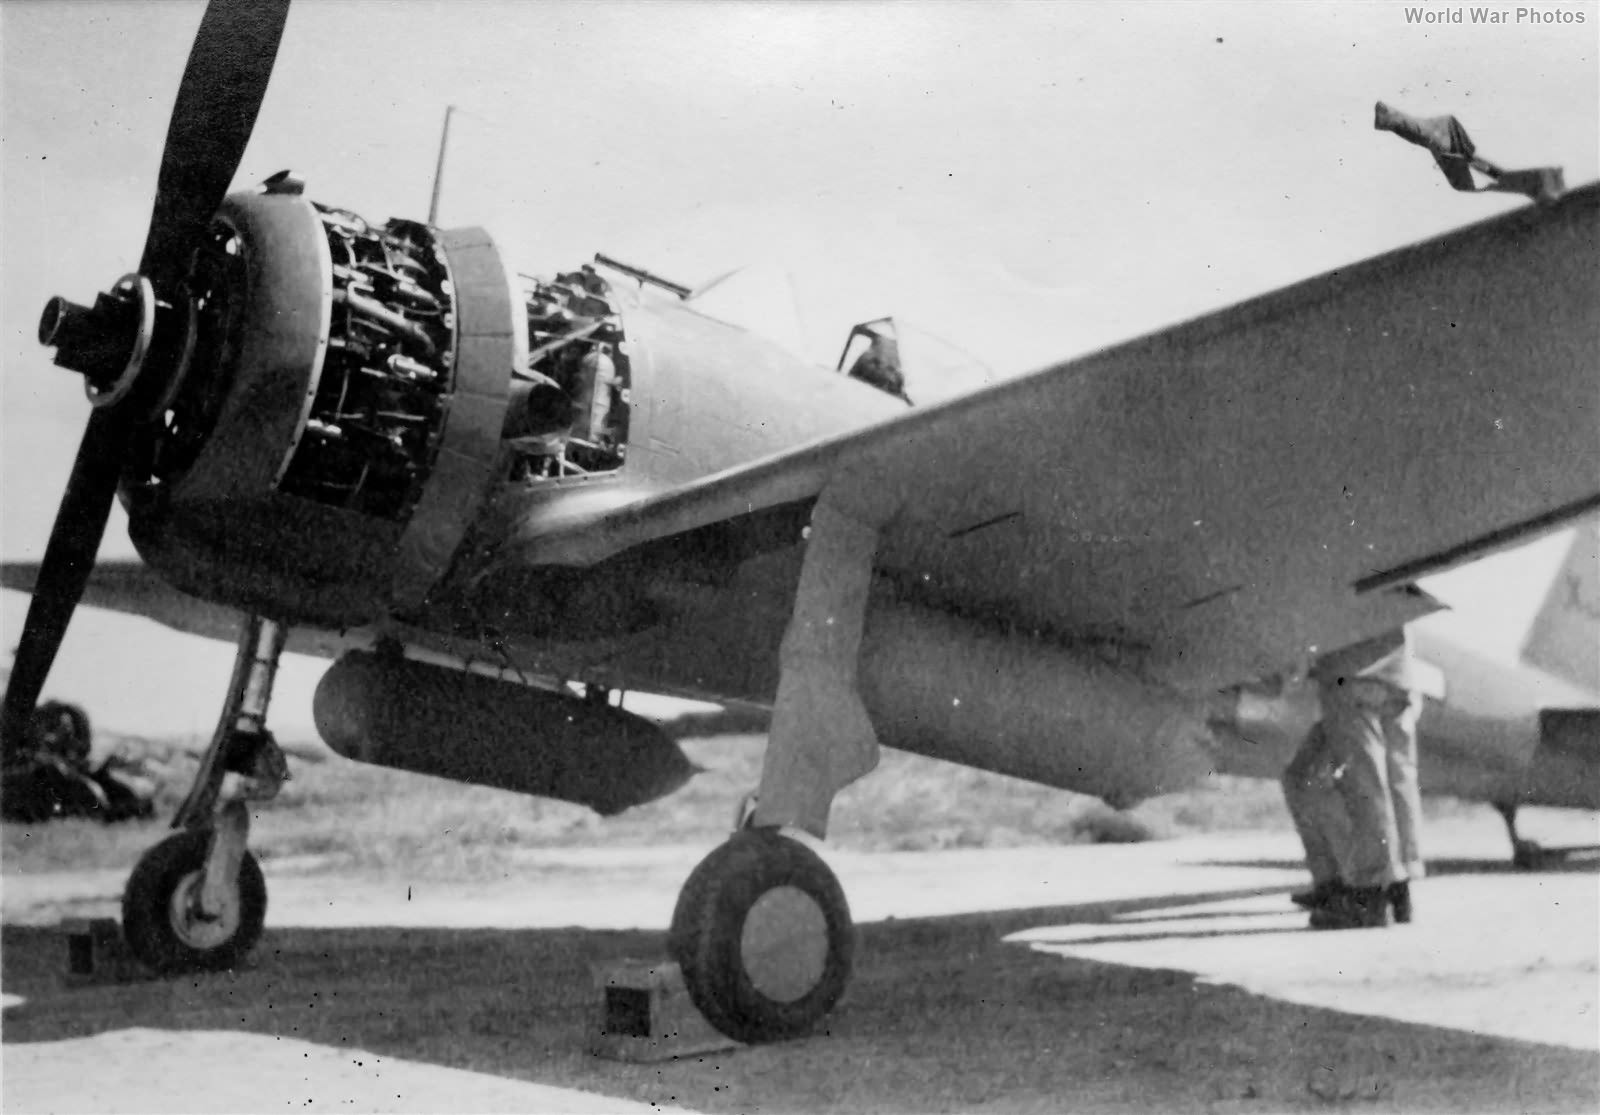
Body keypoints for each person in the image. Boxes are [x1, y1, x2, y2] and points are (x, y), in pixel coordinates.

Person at [1287, 628, 1426, 930]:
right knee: (1396, 778)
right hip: (1399, 673)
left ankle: (1368, 895)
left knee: (1363, 784)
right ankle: (1398, 890)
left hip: (1352, 672)